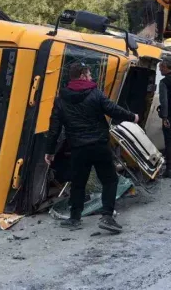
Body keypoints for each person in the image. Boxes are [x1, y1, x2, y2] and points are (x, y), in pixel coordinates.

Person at [45, 62, 138, 233]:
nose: (90, 77)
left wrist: (50, 151)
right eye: (88, 74)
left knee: (78, 182)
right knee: (110, 180)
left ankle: (74, 218)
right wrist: (132, 116)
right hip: (99, 145)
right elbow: (113, 110)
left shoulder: (61, 99)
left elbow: (54, 129)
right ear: (81, 76)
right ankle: (107, 217)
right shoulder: (94, 94)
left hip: (78, 148)